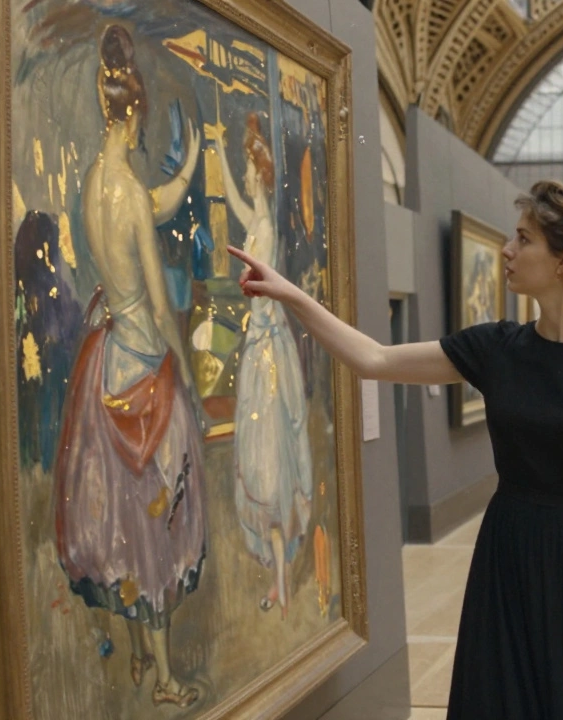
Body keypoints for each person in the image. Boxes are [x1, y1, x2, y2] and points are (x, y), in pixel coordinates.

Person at [228, 180, 563, 718]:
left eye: (523, 239)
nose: (507, 252)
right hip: (509, 554)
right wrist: (293, 296)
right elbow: (374, 359)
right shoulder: (496, 348)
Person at [53, 25, 205, 708]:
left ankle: (142, 656)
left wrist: (186, 169)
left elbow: (152, 204)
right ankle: (168, 678)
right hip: (146, 364)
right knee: (157, 520)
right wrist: (193, 379)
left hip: (107, 360)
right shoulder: (135, 202)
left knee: (121, 512)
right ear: (136, 111)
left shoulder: (94, 184)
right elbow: (163, 305)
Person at [214, 114, 315, 617]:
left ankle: (281, 580)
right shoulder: (257, 219)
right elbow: (238, 207)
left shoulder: (268, 229)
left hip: (267, 352)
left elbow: (261, 291)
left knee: (270, 458)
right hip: (259, 346)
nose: (247, 177)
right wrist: (216, 155)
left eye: (248, 171)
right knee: (262, 456)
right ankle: (279, 579)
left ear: (260, 175)